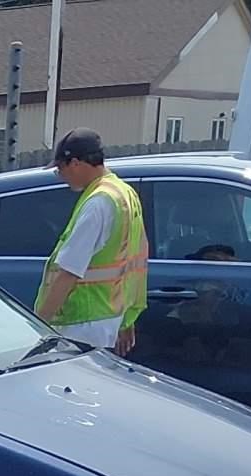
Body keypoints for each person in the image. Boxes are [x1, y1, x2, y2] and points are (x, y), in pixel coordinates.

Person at [34, 129, 148, 353]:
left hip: (80, 325)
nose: (62, 177)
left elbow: (68, 272)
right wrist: (126, 320)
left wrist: (38, 328)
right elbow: (132, 265)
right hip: (107, 319)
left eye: (60, 169)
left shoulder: (98, 203)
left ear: (75, 163)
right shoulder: (124, 193)